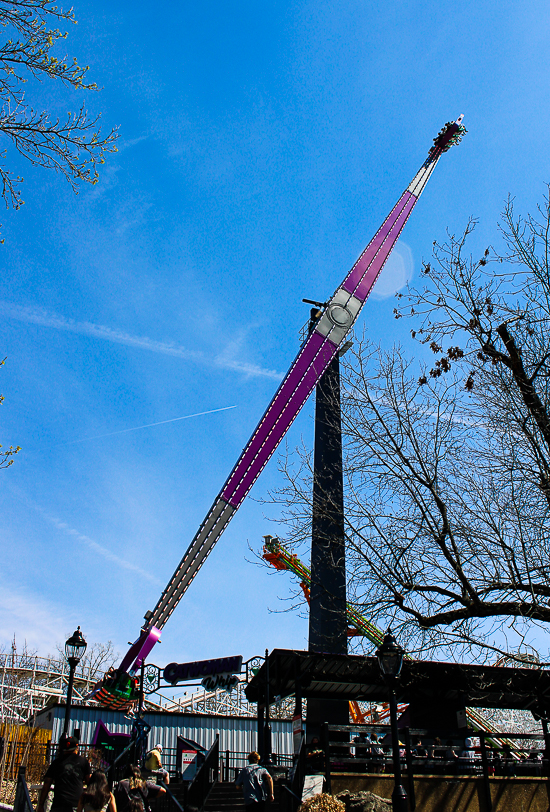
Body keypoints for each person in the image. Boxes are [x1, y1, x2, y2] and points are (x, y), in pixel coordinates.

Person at [37, 736, 92, 812]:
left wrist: (41, 805)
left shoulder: (56, 763)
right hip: (76, 805)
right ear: (77, 748)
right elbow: (90, 783)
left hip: (58, 805)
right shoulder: (83, 762)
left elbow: (47, 783)